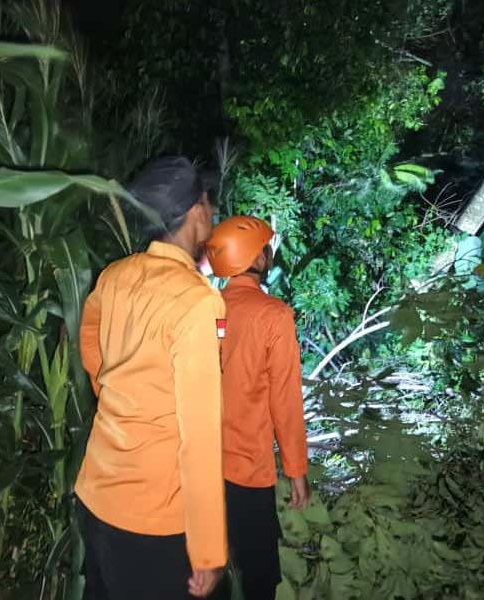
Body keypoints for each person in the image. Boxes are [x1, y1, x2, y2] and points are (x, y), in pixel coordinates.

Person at [75, 156, 227, 600]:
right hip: (154, 521)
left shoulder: (114, 276)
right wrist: (207, 549)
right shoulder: (197, 303)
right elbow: (200, 436)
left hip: (97, 495)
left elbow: (91, 350)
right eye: (208, 203)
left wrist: (123, 404)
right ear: (197, 211)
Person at [204, 216, 311, 600]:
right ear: (257, 258)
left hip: (202, 467)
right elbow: (285, 400)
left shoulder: (206, 309)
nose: (270, 254)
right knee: (257, 581)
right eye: (266, 248)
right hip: (248, 471)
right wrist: (296, 470)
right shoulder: (274, 316)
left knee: (210, 574)